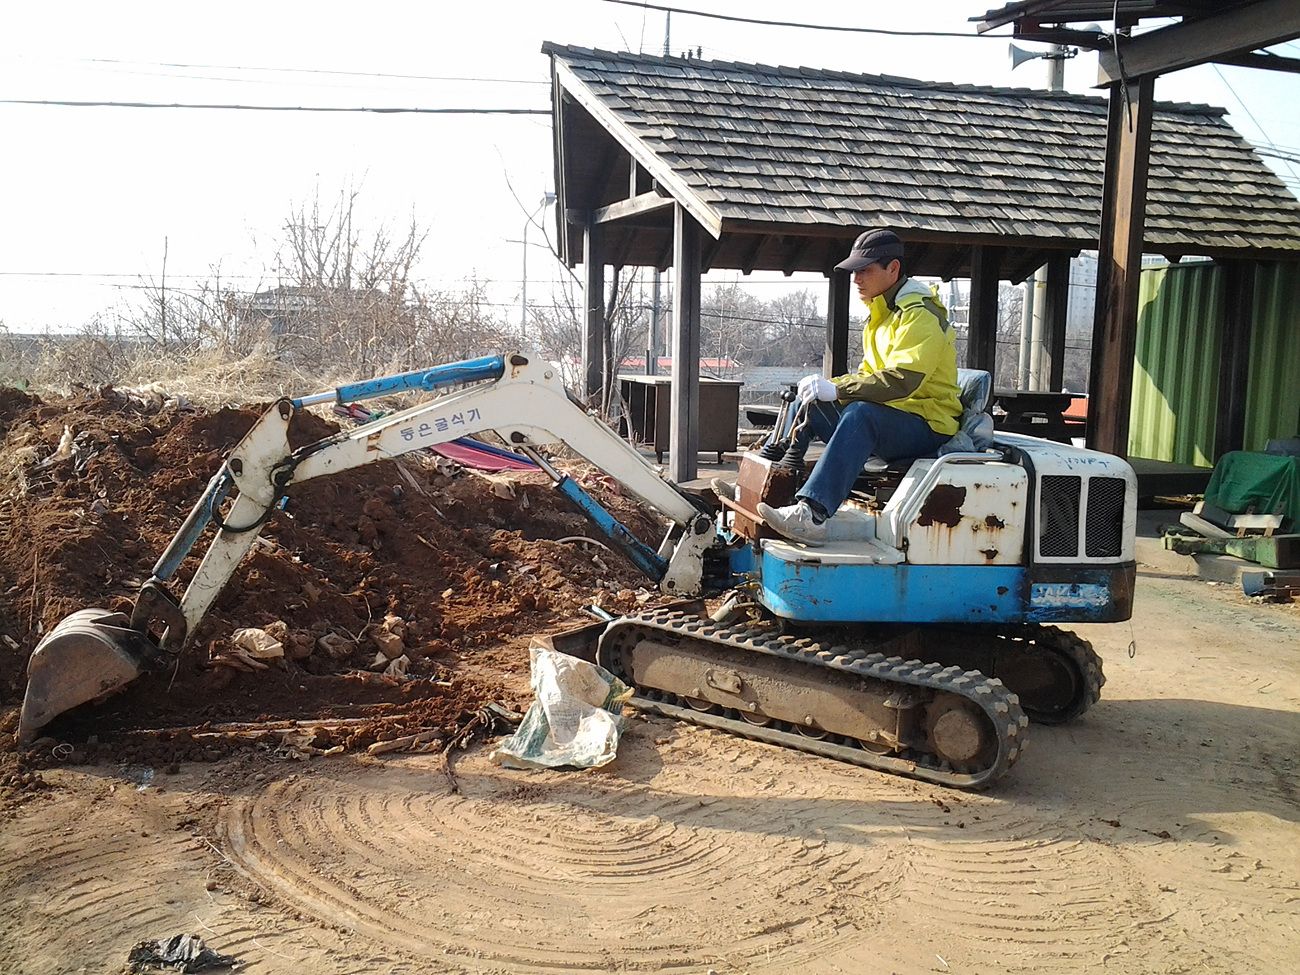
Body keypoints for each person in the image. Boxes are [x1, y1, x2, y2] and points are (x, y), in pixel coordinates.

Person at [754, 229, 962, 545]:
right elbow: (868, 376)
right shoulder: (881, 315)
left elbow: (902, 381)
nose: (856, 280)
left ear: (893, 268)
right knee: (808, 402)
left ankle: (811, 516)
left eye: (865, 270)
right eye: (855, 271)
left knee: (861, 415)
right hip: (893, 418)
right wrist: (826, 388)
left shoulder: (919, 315)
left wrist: (838, 390)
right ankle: (766, 484)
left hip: (928, 424)